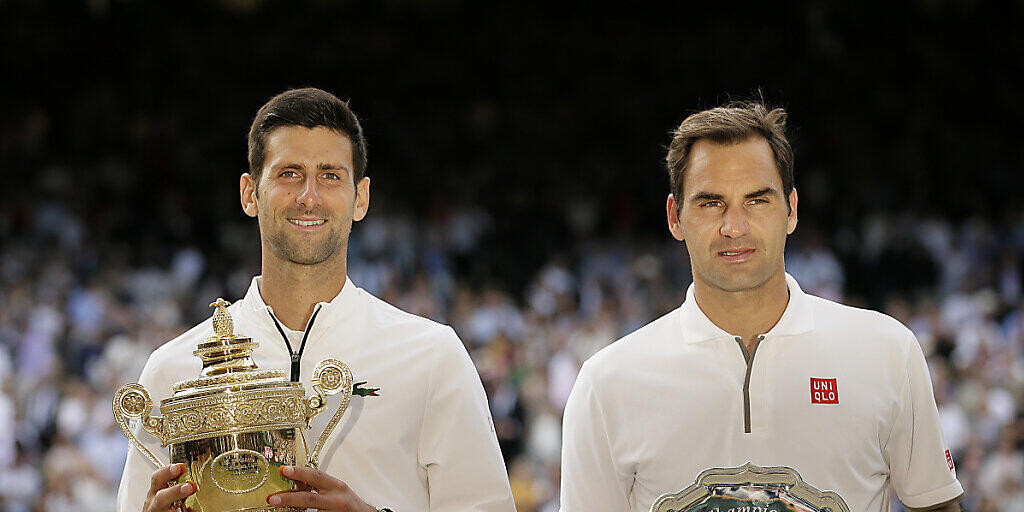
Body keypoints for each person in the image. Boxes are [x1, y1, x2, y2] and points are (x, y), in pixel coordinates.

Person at [116, 88, 515, 512]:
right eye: (288, 173)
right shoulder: (172, 372)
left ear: (360, 198)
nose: (309, 195)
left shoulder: (433, 355)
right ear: (249, 193)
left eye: (330, 175)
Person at [559, 102, 964, 512]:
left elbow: (936, 503)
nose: (734, 226)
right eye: (711, 202)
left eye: (756, 200)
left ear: (791, 209)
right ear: (674, 216)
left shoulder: (888, 352)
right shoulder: (606, 384)